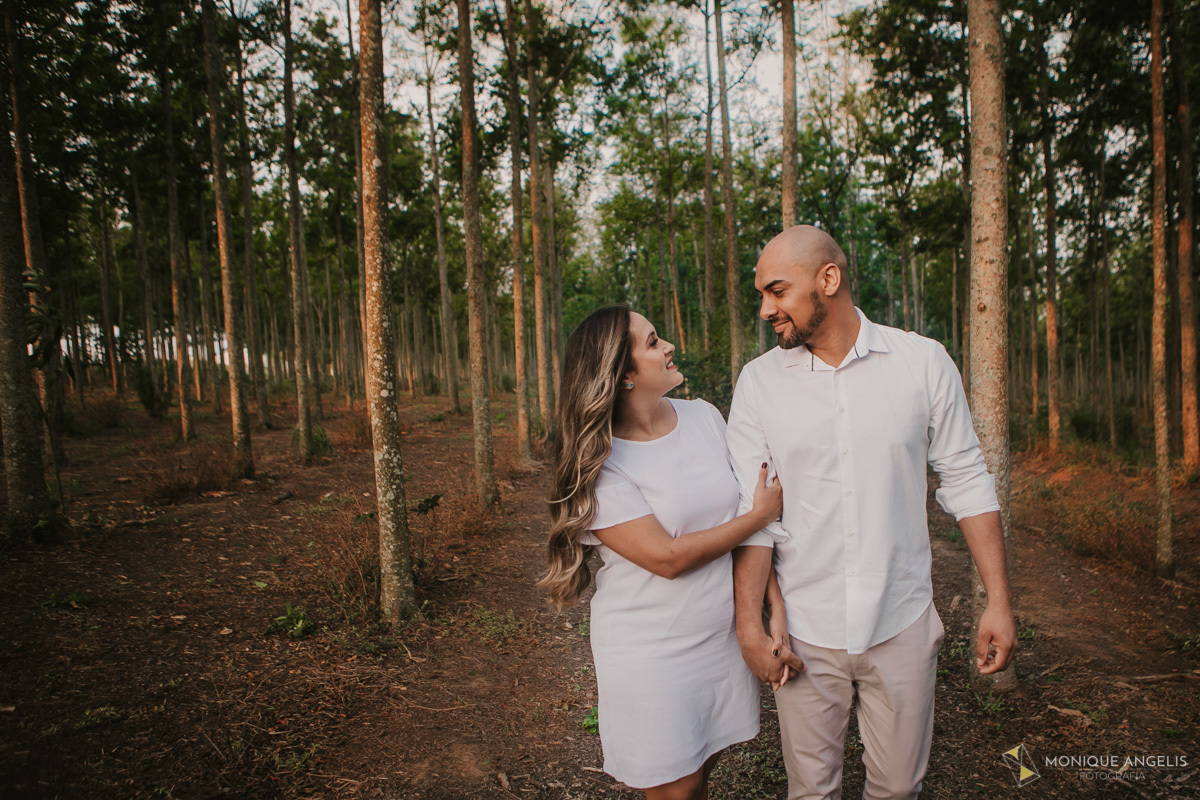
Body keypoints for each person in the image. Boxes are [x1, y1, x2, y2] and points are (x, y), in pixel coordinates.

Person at [726, 225, 1017, 800]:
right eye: (762, 295)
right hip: (805, 628)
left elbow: (966, 481)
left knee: (899, 790)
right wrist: (750, 626)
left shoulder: (923, 363)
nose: (765, 310)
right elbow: (754, 516)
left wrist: (999, 601)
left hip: (901, 619)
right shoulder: (759, 384)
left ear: (828, 279)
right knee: (810, 792)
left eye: (777, 291)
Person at [537, 305, 795, 800]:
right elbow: (667, 558)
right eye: (653, 342)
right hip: (652, 651)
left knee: (703, 769)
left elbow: (742, 517)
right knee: (676, 788)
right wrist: (759, 517)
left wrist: (772, 607)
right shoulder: (602, 463)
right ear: (623, 374)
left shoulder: (704, 417)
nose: (669, 346)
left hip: (718, 637)